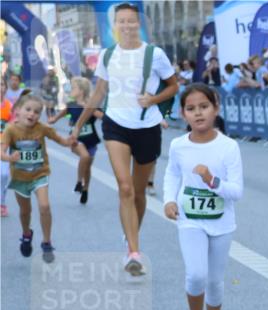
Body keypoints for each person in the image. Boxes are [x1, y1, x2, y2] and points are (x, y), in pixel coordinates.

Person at [71, 1, 179, 277]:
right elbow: (97, 94)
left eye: (132, 21)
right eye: (122, 21)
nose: (127, 25)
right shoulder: (108, 56)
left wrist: (152, 99)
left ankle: (131, 234)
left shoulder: (154, 55)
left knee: (140, 193)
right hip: (115, 124)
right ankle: (133, 252)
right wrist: (78, 126)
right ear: (115, 25)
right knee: (125, 188)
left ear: (138, 23)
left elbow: (174, 86)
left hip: (147, 126)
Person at [164, 84, 242, 310]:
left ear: (216, 108)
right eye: (191, 108)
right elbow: (172, 174)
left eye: (204, 107)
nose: (198, 113)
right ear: (183, 113)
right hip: (190, 220)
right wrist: (169, 200)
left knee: (215, 282)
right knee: (196, 274)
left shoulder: (228, 147)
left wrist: (212, 181)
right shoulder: (178, 145)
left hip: (221, 222)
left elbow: (237, 191)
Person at [1, 94, 76, 263]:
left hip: (40, 174)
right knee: (25, 211)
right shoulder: (10, 130)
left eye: (36, 112)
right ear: (17, 111)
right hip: (20, 178)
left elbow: (59, 140)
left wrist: (69, 141)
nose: (32, 114)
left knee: (44, 206)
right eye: (28, 110)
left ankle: (46, 242)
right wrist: (10, 158)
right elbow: (1, 152)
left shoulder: (41, 128)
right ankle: (27, 234)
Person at [47, 77, 103, 204]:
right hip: (75, 139)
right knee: (85, 156)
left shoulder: (91, 105)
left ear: (82, 91)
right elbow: (61, 114)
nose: (70, 90)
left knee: (87, 166)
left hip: (91, 139)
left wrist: (90, 109)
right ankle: (79, 181)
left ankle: (85, 189)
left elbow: (102, 117)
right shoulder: (71, 105)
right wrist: (53, 119)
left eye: (73, 88)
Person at [1, 78, 13, 217]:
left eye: (2, 84)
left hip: (4, 146)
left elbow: (15, 125)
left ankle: (2, 203)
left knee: (3, 175)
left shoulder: (10, 106)